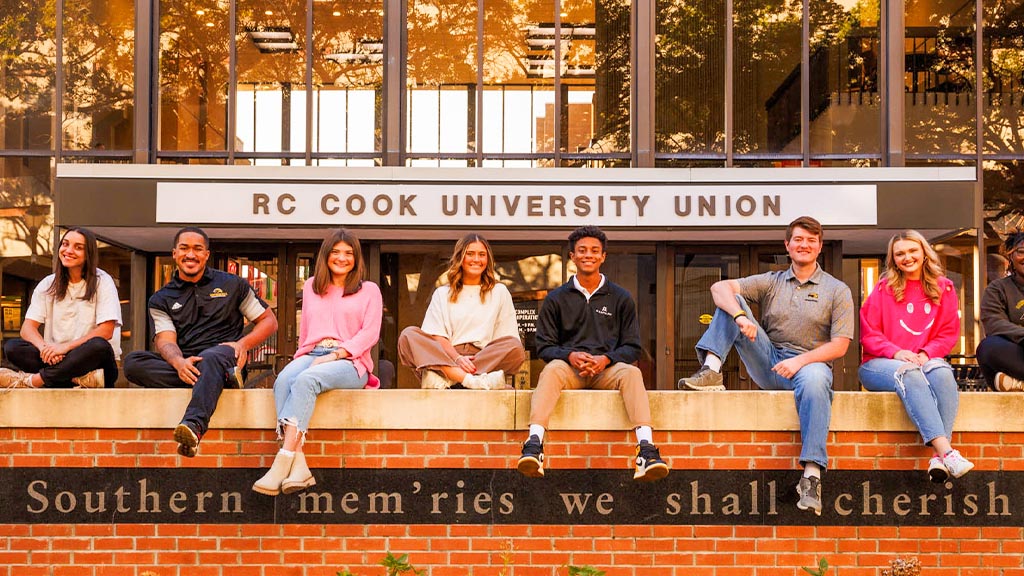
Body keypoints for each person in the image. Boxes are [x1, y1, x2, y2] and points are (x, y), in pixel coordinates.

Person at [676, 216, 853, 515]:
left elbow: (840, 345)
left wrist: (800, 361)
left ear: (820, 246)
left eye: (811, 240)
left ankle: (811, 475)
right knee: (732, 302)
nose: (804, 245)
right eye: (798, 239)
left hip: (809, 365)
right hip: (769, 360)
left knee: (815, 380)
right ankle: (712, 369)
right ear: (787, 245)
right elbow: (719, 288)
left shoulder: (837, 290)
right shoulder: (772, 281)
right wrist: (740, 317)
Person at [516, 226, 669, 482]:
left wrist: (606, 359)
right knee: (551, 369)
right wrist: (570, 356)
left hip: (607, 371)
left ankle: (646, 450)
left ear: (603, 256)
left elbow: (632, 346)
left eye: (595, 251)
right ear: (572, 256)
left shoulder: (621, 297)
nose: (589, 255)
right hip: (569, 371)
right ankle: (534, 444)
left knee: (631, 372)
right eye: (582, 250)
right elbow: (543, 346)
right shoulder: (556, 298)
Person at [123, 227, 278, 457]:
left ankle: (194, 425)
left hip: (225, 355)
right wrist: (178, 363)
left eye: (197, 249)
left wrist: (243, 344)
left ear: (206, 254)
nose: (191, 255)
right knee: (133, 362)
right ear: (174, 253)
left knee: (213, 356)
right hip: (187, 363)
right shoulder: (161, 299)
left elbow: (269, 321)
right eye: (184, 248)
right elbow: (165, 340)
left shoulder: (233, 284)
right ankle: (212, 382)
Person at [253, 229, 382, 496]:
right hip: (313, 353)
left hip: (350, 361)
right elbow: (307, 332)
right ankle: (299, 465)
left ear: (356, 258)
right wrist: (302, 358)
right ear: (326, 256)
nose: (342, 258)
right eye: (336, 252)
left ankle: (284, 458)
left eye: (348, 253)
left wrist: (335, 355)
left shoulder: (369, 290)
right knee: (284, 380)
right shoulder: (313, 287)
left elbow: (369, 334)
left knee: (306, 380)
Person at [858, 230, 972, 482]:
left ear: (923, 252)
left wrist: (925, 353)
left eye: (912, 251)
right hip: (879, 365)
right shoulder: (883, 289)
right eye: (900, 254)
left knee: (942, 371)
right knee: (907, 372)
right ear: (893, 259)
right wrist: (897, 352)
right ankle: (947, 451)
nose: (907, 257)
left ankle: (939, 460)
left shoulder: (944, 288)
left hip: (924, 361)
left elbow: (948, 333)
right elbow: (869, 335)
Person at [398, 234, 524, 390]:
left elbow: (506, 337)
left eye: (481, 255)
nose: (476, 259)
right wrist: (457, 358)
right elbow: (437, 336)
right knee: (408, 335)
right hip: (447, 356)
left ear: (488, 260)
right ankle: (471, 380)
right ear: (460, 258)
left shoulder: (499, 292)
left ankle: (449, 378)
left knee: (515, 347)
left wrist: (472, 362)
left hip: (484, 357)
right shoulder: (443, 293)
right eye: (470, 254)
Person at [0, 227, 121, 389]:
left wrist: (64, 347)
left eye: (78, 247)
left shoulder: (103, 281)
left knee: (99, 345)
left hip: (92, 361)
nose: (68, 250)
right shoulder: (48, 284)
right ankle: (79, 379)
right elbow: (27, 328)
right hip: (55, 358)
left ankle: (33, 380)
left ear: (89, 254)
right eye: (65, 244)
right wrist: (45, 348)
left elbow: (106, 331)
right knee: (13, 347)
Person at [977, 231, 1024, 391]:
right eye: (1021, 252)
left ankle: (1018, 384)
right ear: (1010, 255)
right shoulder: (997, 289)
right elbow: (994, 323)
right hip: (1017, 353)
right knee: (988, 347)